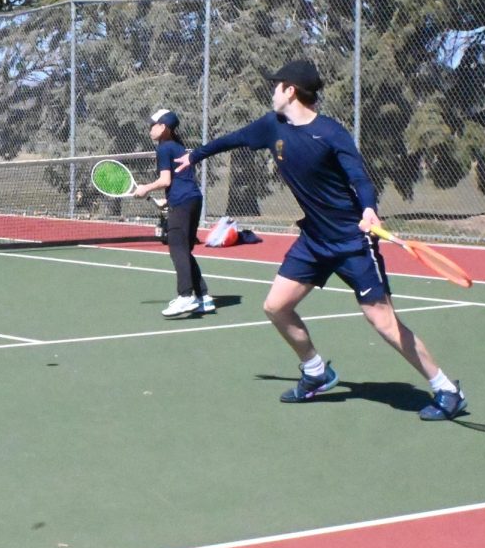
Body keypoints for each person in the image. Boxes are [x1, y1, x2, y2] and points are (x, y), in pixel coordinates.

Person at [174, 60, 467, 421]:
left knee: (383, 322)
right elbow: (232, 139)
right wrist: (195, 155)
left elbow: (359, 178)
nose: (272, 90)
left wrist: (369, 210)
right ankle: (315, 373)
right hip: (314, 240)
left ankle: (446, 390)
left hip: (352, 241)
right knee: (275, 306)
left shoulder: (331, 133)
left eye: (276, 84)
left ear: (290, 90)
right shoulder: (272, 126)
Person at [134, 109, 214, 317]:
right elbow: (181, 180)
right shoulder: (178, 147)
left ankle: (186, 296)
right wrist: (166, 200)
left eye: (153, 125)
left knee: (177, 248)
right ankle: (203, 297)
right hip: (193, 199)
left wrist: (145, 188)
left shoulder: (164, 148)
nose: (150, 129)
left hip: (183, 201)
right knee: (184, 249)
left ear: (163, 127)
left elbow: (165, 181)